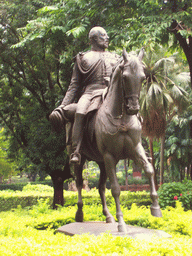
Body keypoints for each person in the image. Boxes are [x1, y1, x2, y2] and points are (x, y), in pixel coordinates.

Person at [60, 26, 120, 164]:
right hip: (89, 94)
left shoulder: (115, 57)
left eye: (107, 35)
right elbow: (74, 85)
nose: (107, 38)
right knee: (80, 112)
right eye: (103, 36)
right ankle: (76, 150)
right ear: (93, 38)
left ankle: (137, 144)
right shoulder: (83, 58)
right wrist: (63, 105)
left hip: (110, 92)